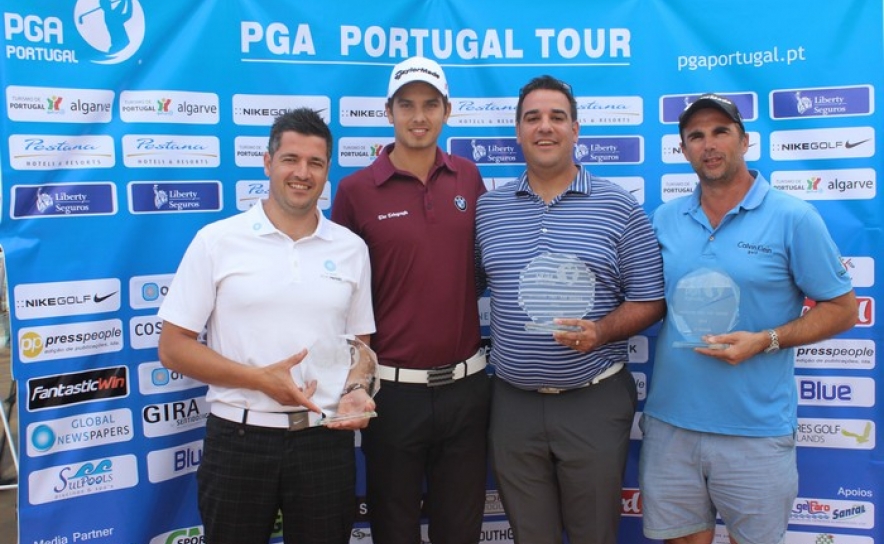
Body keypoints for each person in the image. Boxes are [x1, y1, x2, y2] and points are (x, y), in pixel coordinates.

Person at [639, 93, 858, 544]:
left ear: (745, 141)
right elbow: (645, 300)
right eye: (696, 136)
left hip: (754, 431)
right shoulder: (664, 219)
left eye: (721, 131)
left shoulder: (794, 217)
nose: (709, 144)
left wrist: (765, 340)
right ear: (683, 150)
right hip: (671, 427)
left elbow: (843, 310)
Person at [157, 108, 376, 544]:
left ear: (327, 171)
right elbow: (173, 347)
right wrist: (259, 380)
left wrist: (356, 390)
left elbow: (359, 344)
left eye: (315, 163)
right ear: (267, 162)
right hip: (238, 439)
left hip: (323, 440)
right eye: (290, 159)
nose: (302, 173)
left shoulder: (351, 248)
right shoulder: (217, 240)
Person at [475, 75, 666, 544]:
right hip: (512, 405)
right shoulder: (488, 210)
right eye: (533, 118)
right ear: (518, 131)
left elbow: (650, 300)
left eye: (557, 117)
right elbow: (467, 288)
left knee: (593, 535)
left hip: (593, 401)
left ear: (575, 129)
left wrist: (601, 332)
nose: (545, 127)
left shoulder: (618, 206)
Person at [331, 56, 490, 544]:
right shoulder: (355, 191)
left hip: (466, 387)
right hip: (392, 394)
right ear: (388, 111)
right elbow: (339, 296)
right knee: (394, 529)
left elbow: (481, 269)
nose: (418, 116)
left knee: (460, 532)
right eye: (406, 105)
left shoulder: (469, 178)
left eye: (430, 104)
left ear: (447, 110)